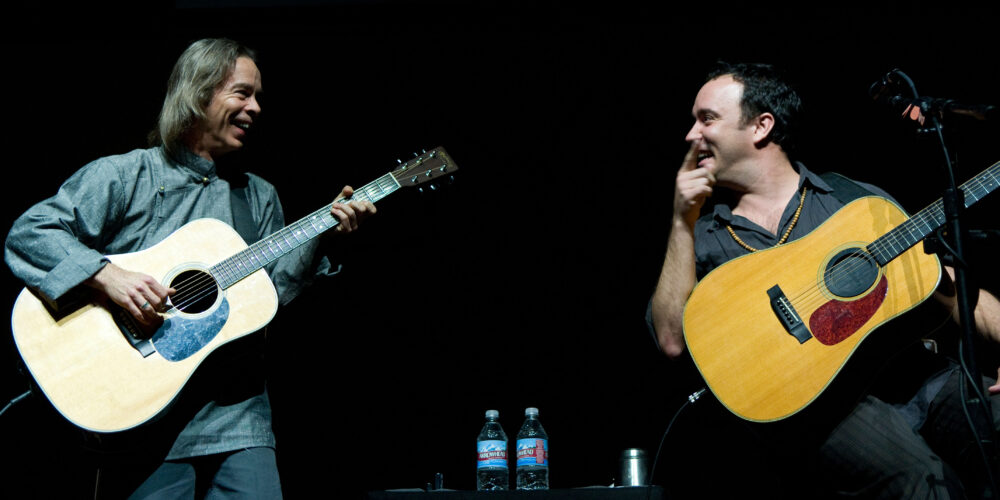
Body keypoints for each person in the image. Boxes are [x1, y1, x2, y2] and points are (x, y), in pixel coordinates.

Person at [5, 38, 375, 498]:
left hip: (239, 419)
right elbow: (31, 233)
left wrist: (324, 237)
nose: (256, 108)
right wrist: (107, 278)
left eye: (258, 96)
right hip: (141, 414)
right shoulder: (126, 175)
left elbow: (269, 298)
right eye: (242, 93)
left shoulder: (256, 196)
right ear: (198, 93)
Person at [648, 62, 1000, 498]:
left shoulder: (853, 200)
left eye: (707, 119)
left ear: (761, 126)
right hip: (827, 411)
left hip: (919, 378)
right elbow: (670, 339)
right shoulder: (706, 237)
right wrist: (682, 221)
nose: (690, 135)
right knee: (919, 483)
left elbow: (946, 285)